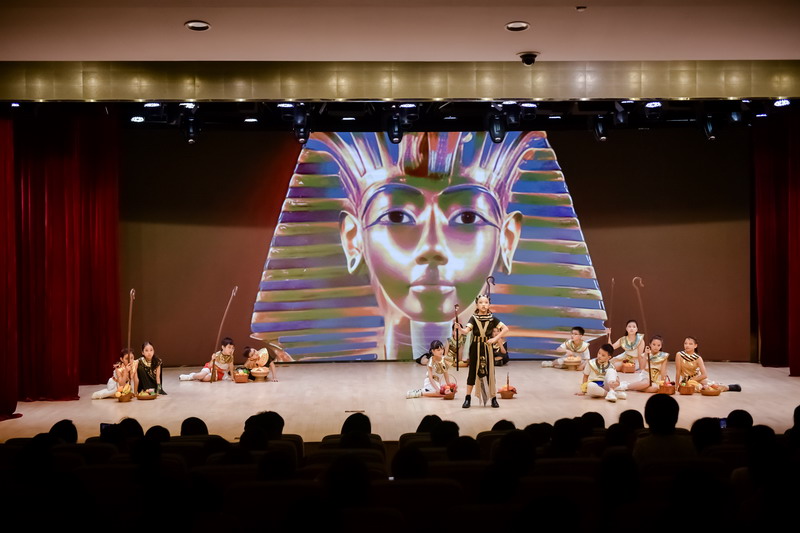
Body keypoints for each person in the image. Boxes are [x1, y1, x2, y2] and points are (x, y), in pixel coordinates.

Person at [457, 294, 508, 408]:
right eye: (481, 302)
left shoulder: (492, 318)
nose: (483, 305)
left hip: (487, 347)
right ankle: (467, 398)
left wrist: (495, 339)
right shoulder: (473, 318)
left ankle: (493, 398)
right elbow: (466, 331)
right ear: (477, 305)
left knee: (490, 372)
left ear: (489, 304)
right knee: (472, 372)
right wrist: (459, 329)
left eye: (486, 302)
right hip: (475, 347)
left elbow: (505, 329)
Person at [675, 336, 741, 392]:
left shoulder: (698, 358)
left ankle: (729, 387)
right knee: (690, 387)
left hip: (697, 378)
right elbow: (678, 372)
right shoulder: (679, 355)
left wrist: (693, 380)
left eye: (690, 344)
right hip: (685, 381)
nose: (687, 345)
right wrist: (676, 386)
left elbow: (704, 375)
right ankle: (703, 387)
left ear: (695, 346)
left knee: (714, 386)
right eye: (685, 343)